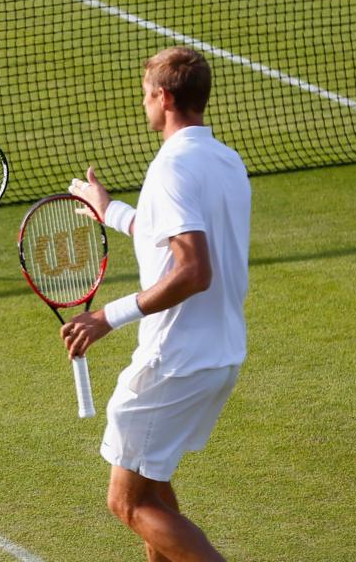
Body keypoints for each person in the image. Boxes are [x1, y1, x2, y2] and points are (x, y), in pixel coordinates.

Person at [63, 47, 250, 561]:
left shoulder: (170, 168)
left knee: (127, 503)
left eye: (146, 94)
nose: (143, 103)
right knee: (154, 492)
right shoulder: (225, 161)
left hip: (173, 361)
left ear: (164, 98)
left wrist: (107, 316)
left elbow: (193, 269)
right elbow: (165, 235)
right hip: (220, 354)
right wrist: (111, 211)